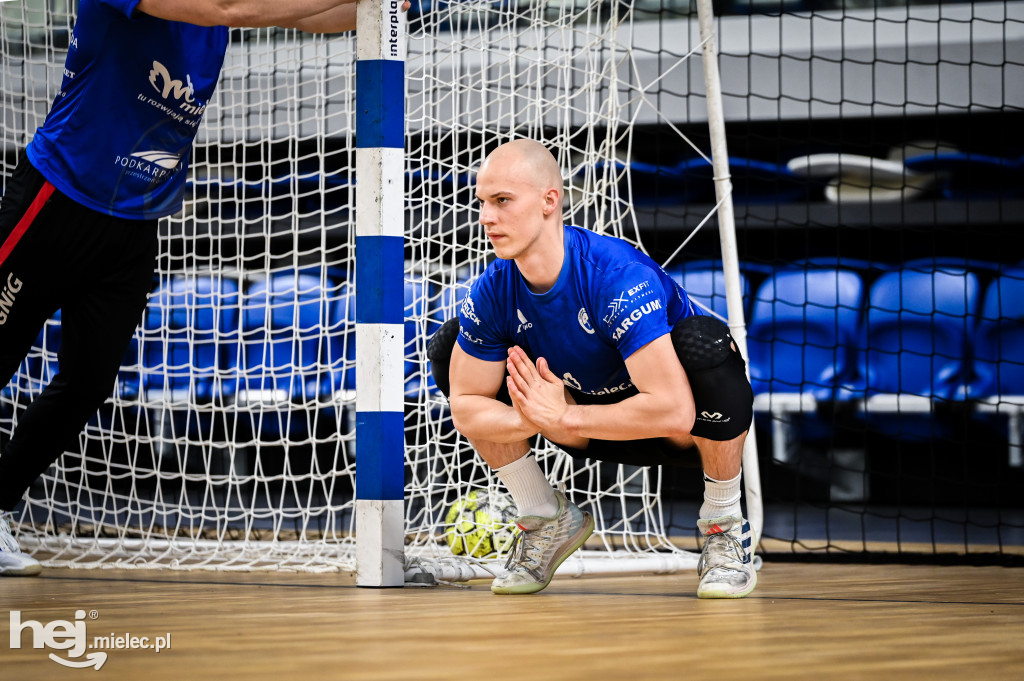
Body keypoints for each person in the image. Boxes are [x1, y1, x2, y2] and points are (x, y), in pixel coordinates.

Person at [0, 0, 406, 576]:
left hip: (134, 229)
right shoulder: (207, 9)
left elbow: (308, 17)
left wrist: (376, 5)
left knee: (87, 384)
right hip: (56, 203)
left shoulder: (213, 23)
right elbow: (231, 7)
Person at [427, 138, 757, 598]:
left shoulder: (614, 275)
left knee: (706, 343)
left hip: (678, 432)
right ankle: (545, 517)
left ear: (549, 201)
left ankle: (723, 526)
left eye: (502, 200)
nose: (486, 217)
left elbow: (674, 412)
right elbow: (466, 405)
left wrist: (561, 416)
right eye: (482, 202)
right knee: (448, 343)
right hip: (580, 428)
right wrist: (534, 418)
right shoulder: (492, 290)